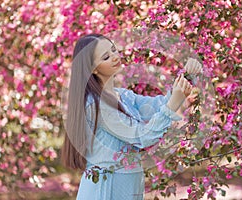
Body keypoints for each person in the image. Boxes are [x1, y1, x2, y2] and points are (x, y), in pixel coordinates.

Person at [61, 33, 199, 200]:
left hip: (127, 187)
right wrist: (172, 105)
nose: (114, 57)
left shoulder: (123, 96)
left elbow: (159, 105)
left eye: (113, 50)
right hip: (105, 189)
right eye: (106, 57)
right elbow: (143, 136)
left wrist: (187, 76)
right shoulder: (96, 106)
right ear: (93, 69)